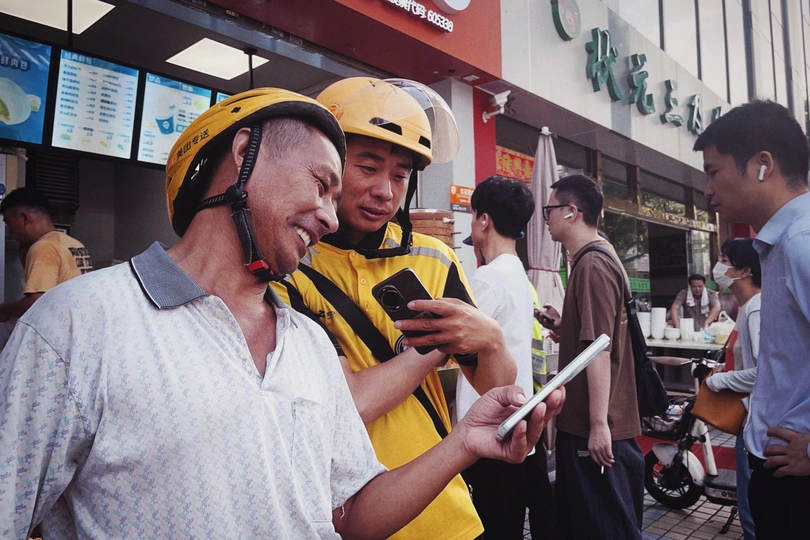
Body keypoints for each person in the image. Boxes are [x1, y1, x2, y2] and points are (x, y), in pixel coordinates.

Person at [0, 88, 563, 539]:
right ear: (244, 154)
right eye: (324, 183)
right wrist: (433, 349)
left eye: (399, 177)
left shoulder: (305, 340)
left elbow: (345, 513)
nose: (331, 216)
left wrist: (465, 436)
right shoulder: (76, 325)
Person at [271, 78, 517, 539]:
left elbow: (495, 388)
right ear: (325, 167)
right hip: (351, 519)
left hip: (451, 515)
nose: (385, 191)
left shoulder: (434, 258)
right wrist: (434, 346)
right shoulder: (289, 267)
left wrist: (492, 340)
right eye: (368, 168)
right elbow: (350, 403)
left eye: (401, 175)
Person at [694, 99, 810, 539]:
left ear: (763, 165)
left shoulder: (801, 241)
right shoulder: (781, 243)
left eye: (713, 172)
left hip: (797, 481)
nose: (708, 189)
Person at [540, 174, 644, 540]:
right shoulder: (600, 254)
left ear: (571, 212)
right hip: (598, 421)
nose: (546, 219)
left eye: (549, 210)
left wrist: (598, 425)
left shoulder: (592, 265)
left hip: (594, 426)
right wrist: (564, 325)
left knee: (601, 527)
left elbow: (599, 349)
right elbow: (600, 333)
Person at [454, 175, 555, 539]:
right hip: (517, 413)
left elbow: (452, 340)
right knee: (509, 518)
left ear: (484, 220)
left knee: (492, 521)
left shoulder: (488, 278)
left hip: (488, 421)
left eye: (472, 215)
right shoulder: (519, 275)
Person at [704, 238, 761, 540]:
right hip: (746, 421)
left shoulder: (757, 309)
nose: (719, 267)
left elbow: (764, 373)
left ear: (745, 270)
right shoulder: (746, 308)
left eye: (725, 261)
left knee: (751, 510)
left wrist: (719, 381)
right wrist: (725, 371)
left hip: (756, 425)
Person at [0, 188, 93, 321]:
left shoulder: (43, 247)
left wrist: (5, 310)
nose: (10, 232)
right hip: (80, 322)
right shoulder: (73, 243)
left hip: (59, 326)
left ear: (24, 218)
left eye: (9, 224)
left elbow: (37, 301)